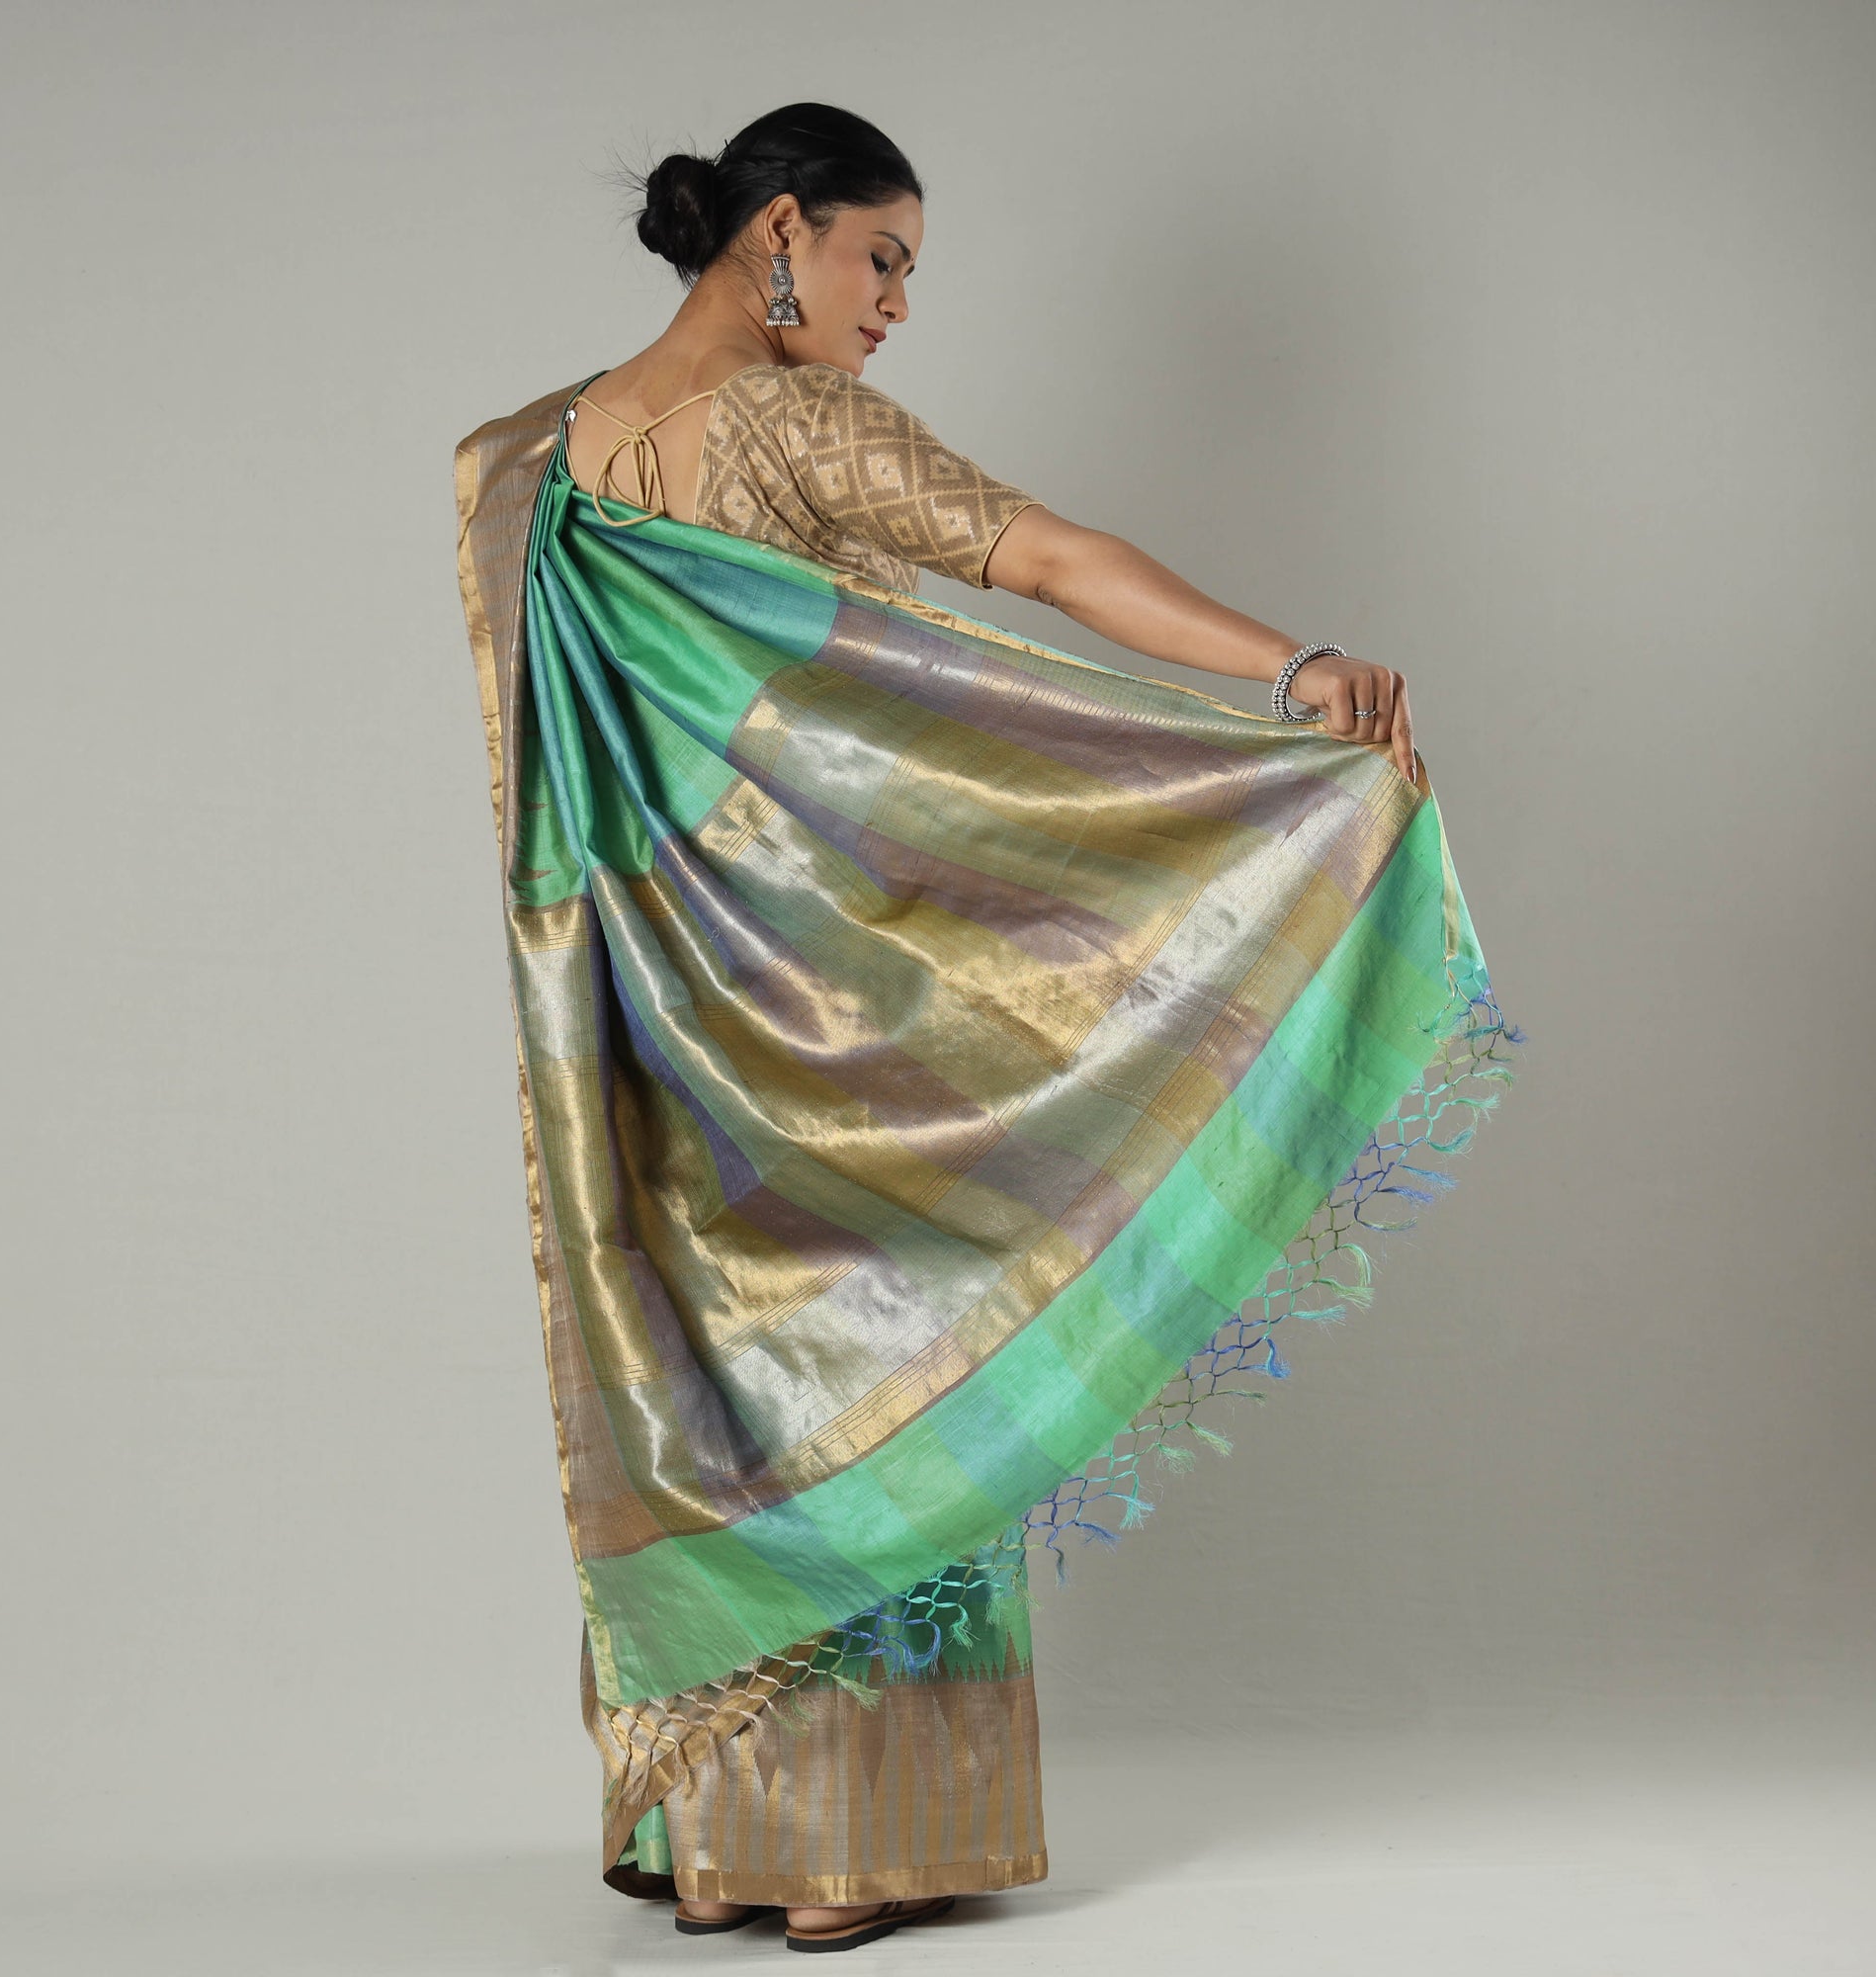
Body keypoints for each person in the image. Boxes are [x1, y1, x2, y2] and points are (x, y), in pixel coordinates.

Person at [452, 104, 1513, 1955]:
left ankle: (715, 1845)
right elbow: (1048, 563)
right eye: (882, 258)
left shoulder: (521, 468)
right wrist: (1288, 673)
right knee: (888, 1366)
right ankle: (852, 1851)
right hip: (839, 1007)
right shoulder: (795, 425)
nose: (895, 305)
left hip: (646, 1014)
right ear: (782, 230)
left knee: (711, 1386)